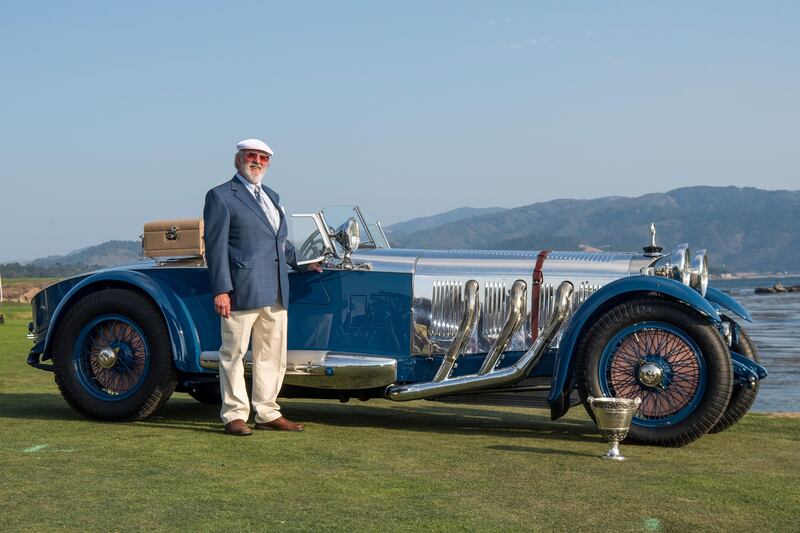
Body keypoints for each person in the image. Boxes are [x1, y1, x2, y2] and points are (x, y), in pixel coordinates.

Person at [203, 138, 322, 436]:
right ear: (238, 159)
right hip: (241, 289)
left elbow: (279, 242)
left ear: (268, 163)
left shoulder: (272, 195)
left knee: (271, 355)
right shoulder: (220, 196)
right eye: (251, 156)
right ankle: (234, 415)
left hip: (277, 289)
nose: (256, 162)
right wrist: (221, 289)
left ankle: (267, 412)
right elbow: (215, 248)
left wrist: (304, 263)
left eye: (263, 158)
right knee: (233, 354)